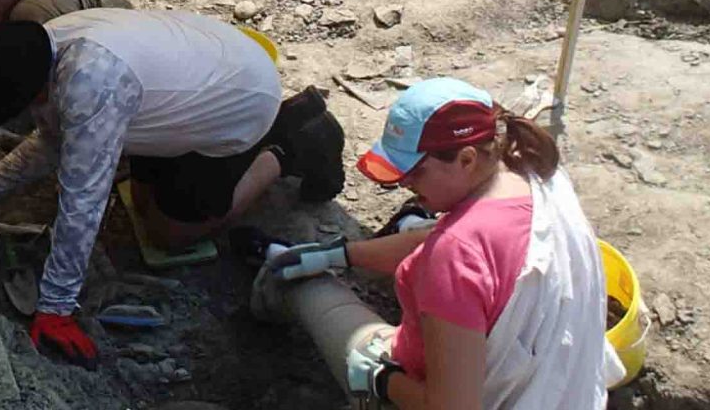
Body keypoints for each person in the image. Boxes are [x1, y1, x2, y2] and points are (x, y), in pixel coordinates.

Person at [0, 9, 341, 367]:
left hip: (239, 105)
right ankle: (277, 131)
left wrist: (56, 307)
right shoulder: (42, 46)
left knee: (169, 233)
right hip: (204, 70)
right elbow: (55, 138)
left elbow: (83, 201)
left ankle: (290, 143)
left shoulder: (91, 83)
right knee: (141, 201)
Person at [259, 78, 622, 409]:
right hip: (566, 391)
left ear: (466, 159)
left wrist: (382, 379)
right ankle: (395, 229)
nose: (404, 183)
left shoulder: (455, 254)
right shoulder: (538, 176)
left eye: (416, 172)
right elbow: (456, 244)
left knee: (317, 298)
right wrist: (340, 254)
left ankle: (270, 286)